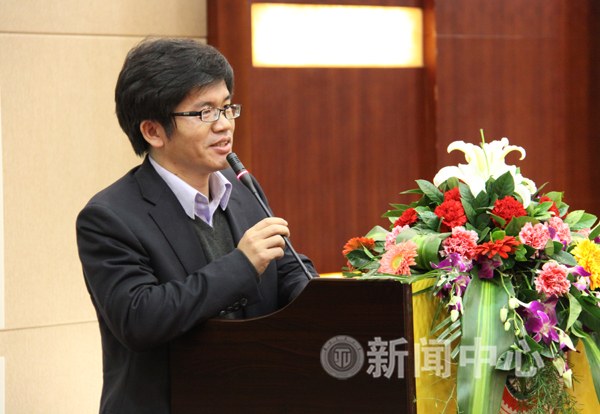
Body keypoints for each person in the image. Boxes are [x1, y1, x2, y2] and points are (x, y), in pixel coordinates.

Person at [76, 37, 317, 414]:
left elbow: (286, 270)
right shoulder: (109, 216)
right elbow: (139, 318)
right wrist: (242, 264)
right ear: (153, 131)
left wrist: (322, 303)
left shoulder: (242, 188)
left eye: (227, 107)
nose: (224, 125)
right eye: (205, 113)